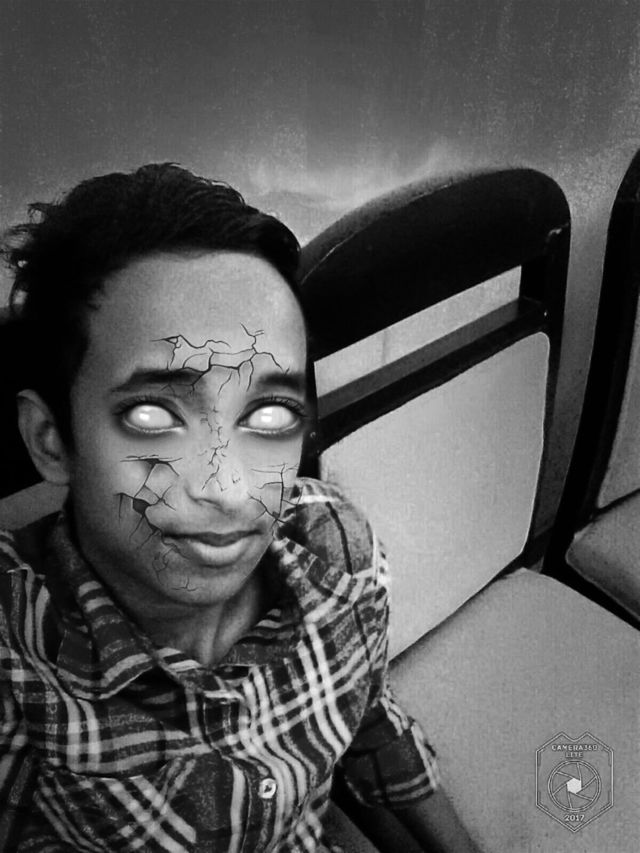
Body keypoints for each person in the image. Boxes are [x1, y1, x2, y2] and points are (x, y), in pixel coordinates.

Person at [0, 164, 480, 852]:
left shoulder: (338, 560)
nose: (230, 491)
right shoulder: (19, 655)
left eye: (270, 413)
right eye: (152, 414)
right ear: (52, 440)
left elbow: (368, 720)